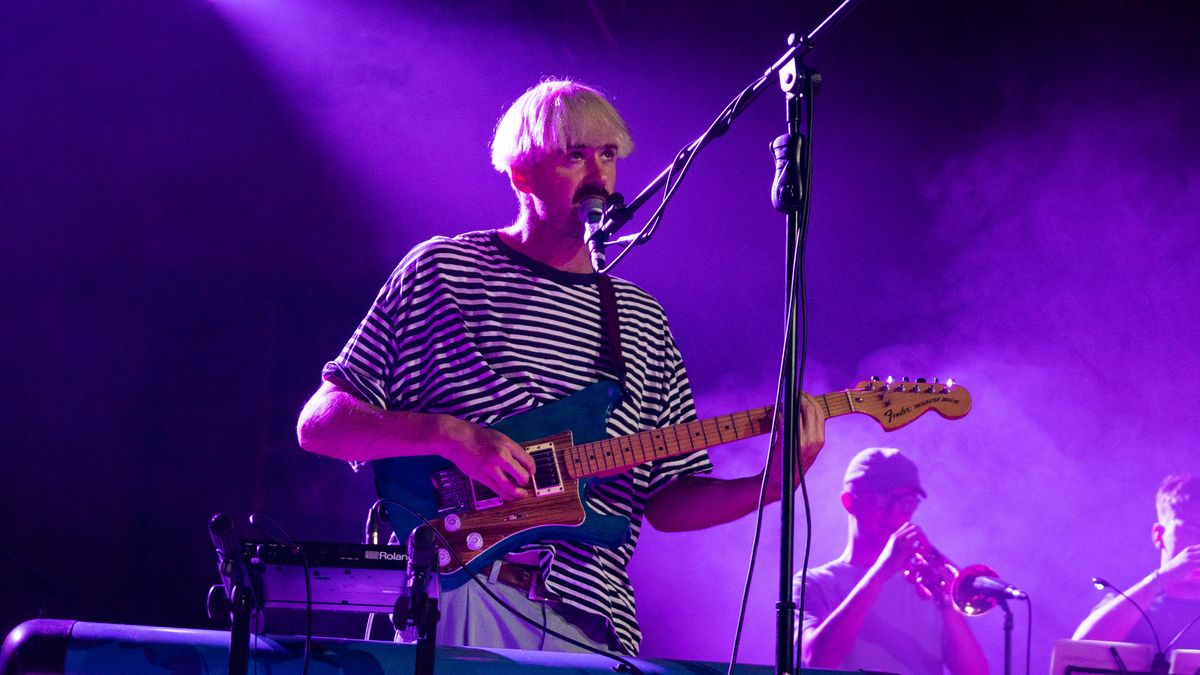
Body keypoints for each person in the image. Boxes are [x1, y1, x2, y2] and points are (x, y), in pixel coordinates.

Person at [296, 79, 826, 656]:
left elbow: (668, 501)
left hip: (591, 624)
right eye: (575, 155)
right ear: (521, 175)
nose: (598, 175)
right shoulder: (441, 271)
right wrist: (448, 435)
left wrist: (769, 484)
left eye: (608, 155)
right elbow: (322, 424)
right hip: (460, 590)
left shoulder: (641, 318)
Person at [794, 447, 988, 674]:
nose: (896, 512)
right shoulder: (814, 582)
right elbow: (818, 659)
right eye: (884, 497)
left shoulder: (927, 587)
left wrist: (947, 602)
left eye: (907, 500)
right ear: (849, 501)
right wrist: (881, 572)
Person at [1073, 473, 1200, 649]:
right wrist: (1160, 580)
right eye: (1193, 528)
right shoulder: (1128, 604)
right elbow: (1078, 652)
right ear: (1159, 535)